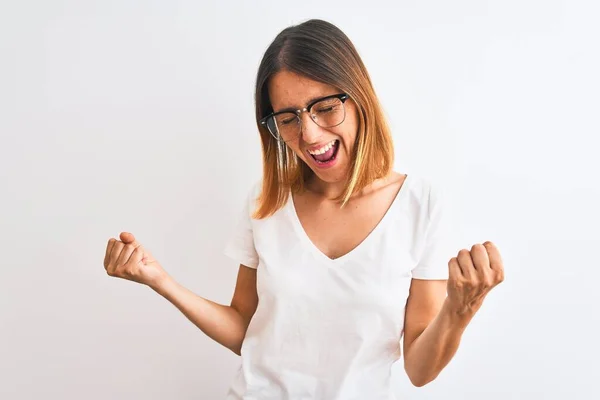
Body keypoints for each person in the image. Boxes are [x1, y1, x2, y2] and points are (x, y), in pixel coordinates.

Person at [103, 19, 505, 400]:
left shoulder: (420, 204)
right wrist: (159, 280)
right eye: (288, 118)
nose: (309, 134)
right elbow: (246, 328)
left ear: (359, 96)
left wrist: (460, 307)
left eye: (325, 107)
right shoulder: (266, 201)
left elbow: (420, 369)